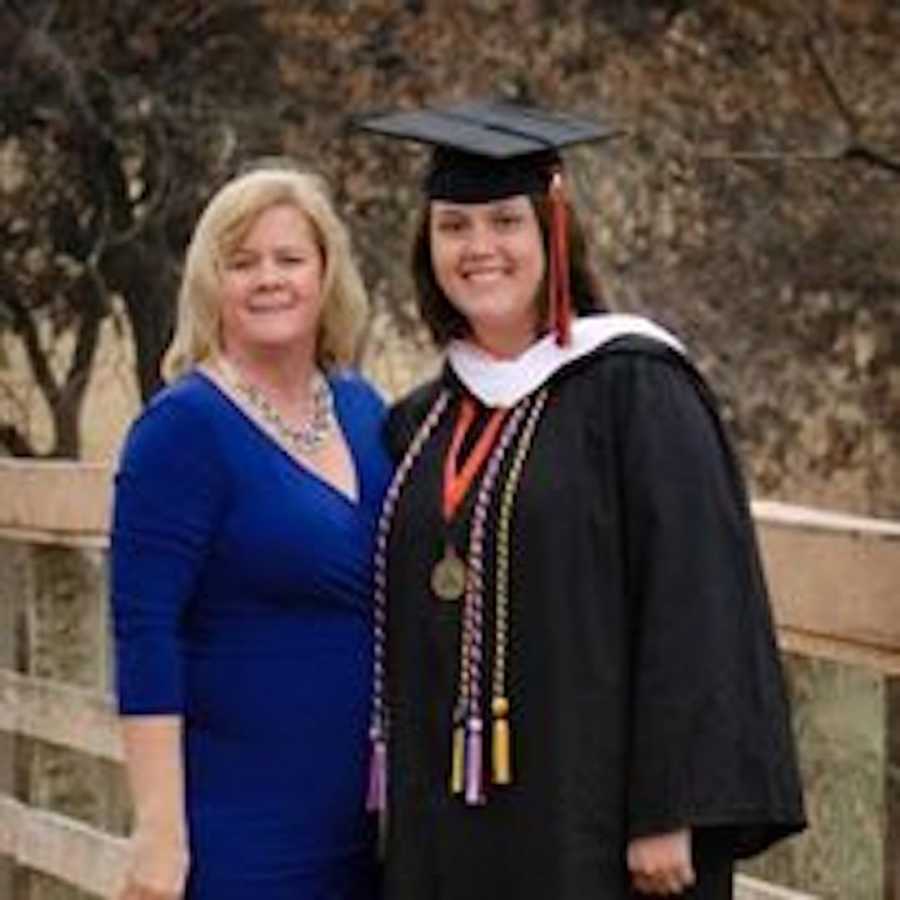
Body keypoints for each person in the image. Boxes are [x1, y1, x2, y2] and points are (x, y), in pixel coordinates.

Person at [355, 100, 805, 899]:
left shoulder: (636, 389)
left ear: (552, 233)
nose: (479, 247)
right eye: (454, 225)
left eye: (505, 221)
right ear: (428, 247)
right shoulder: (420, 423)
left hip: (596, 821)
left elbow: (696, 599)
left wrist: (671, 805)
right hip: (450, 828)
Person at [110, 162, 392, 900]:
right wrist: (159, 835)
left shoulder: (368, 415)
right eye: (243, 262)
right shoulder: (182, 430)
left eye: (290, 259)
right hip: (240, 825)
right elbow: (145, 634)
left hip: (365, 821)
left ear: (326, 273)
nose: (270, 279)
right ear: (213, 283)